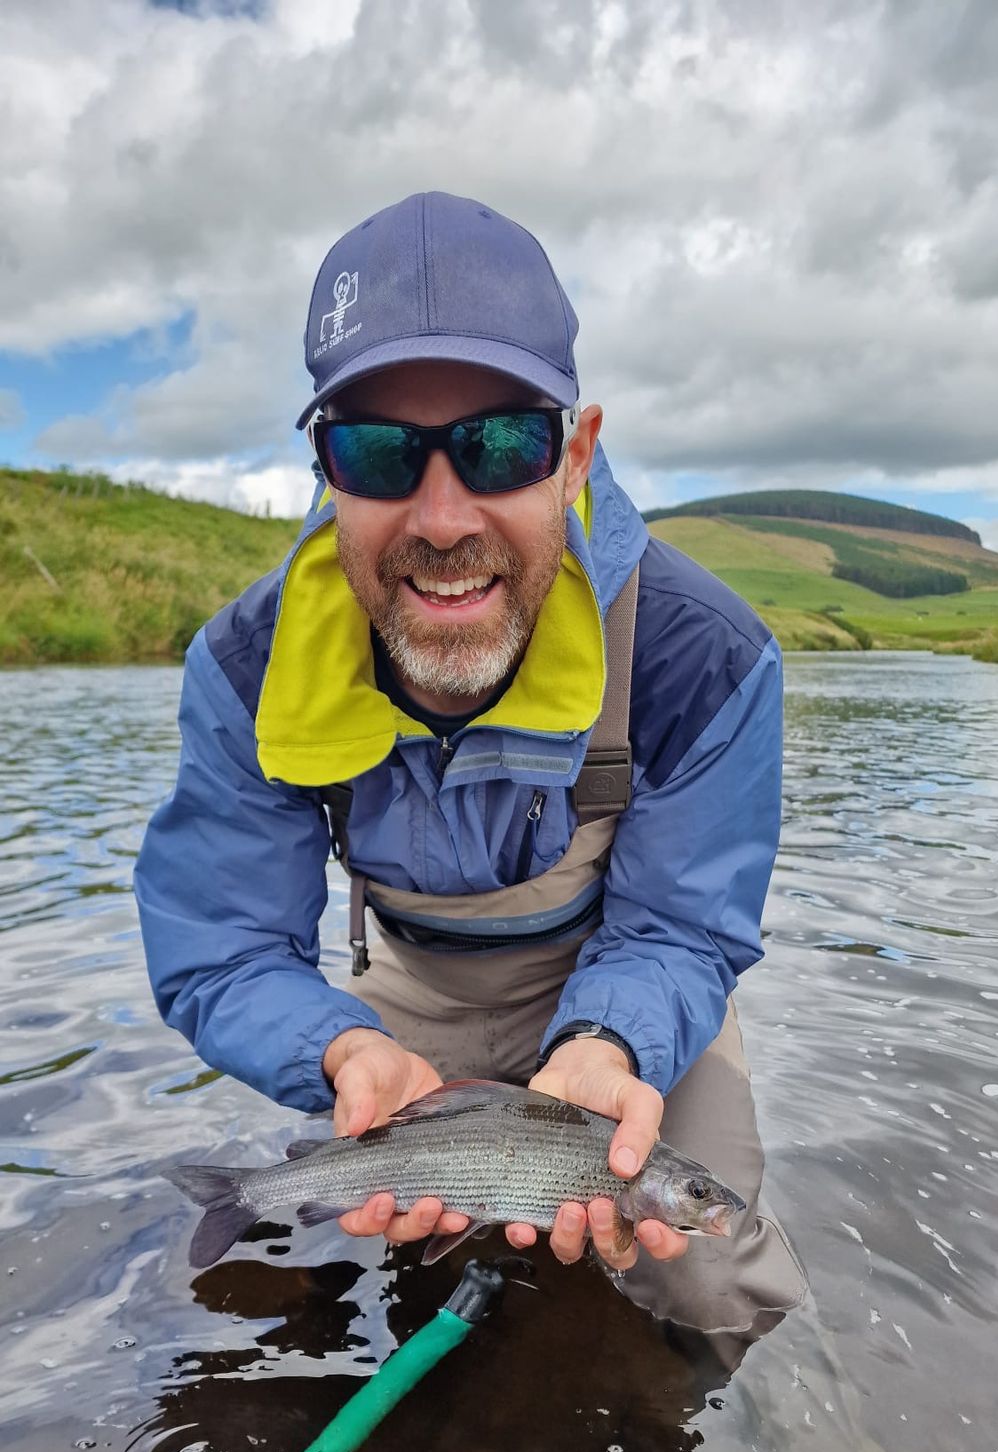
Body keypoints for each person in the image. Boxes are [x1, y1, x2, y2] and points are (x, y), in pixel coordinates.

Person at [134, 190, 807, 1332]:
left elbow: (684, 929)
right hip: (411, 993)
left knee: (705, 1275)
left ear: (575, 453)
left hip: (628, 984)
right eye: (380, 452)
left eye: (500, 445)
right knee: (378, 1266)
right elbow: (224, 945)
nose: (442, 517)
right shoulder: (247, 670)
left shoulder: (708, 657)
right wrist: (342, 1047)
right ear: (324, 471)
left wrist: (606, 1042)